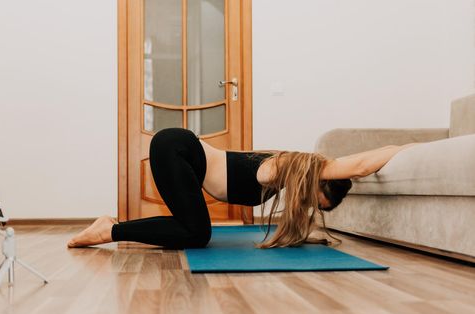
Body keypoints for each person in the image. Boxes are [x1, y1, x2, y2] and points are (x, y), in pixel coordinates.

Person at [67, 127, 418, 249]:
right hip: (175, 148)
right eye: (315, 198)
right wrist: (408, 149)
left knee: (192, 231)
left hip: (179, 151)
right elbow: (358, 166)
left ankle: (109, 227)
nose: (309, 204)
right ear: (316, 180)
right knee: (196, 233)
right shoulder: (291, 165)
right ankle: (107, 230)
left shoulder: (283, 176)